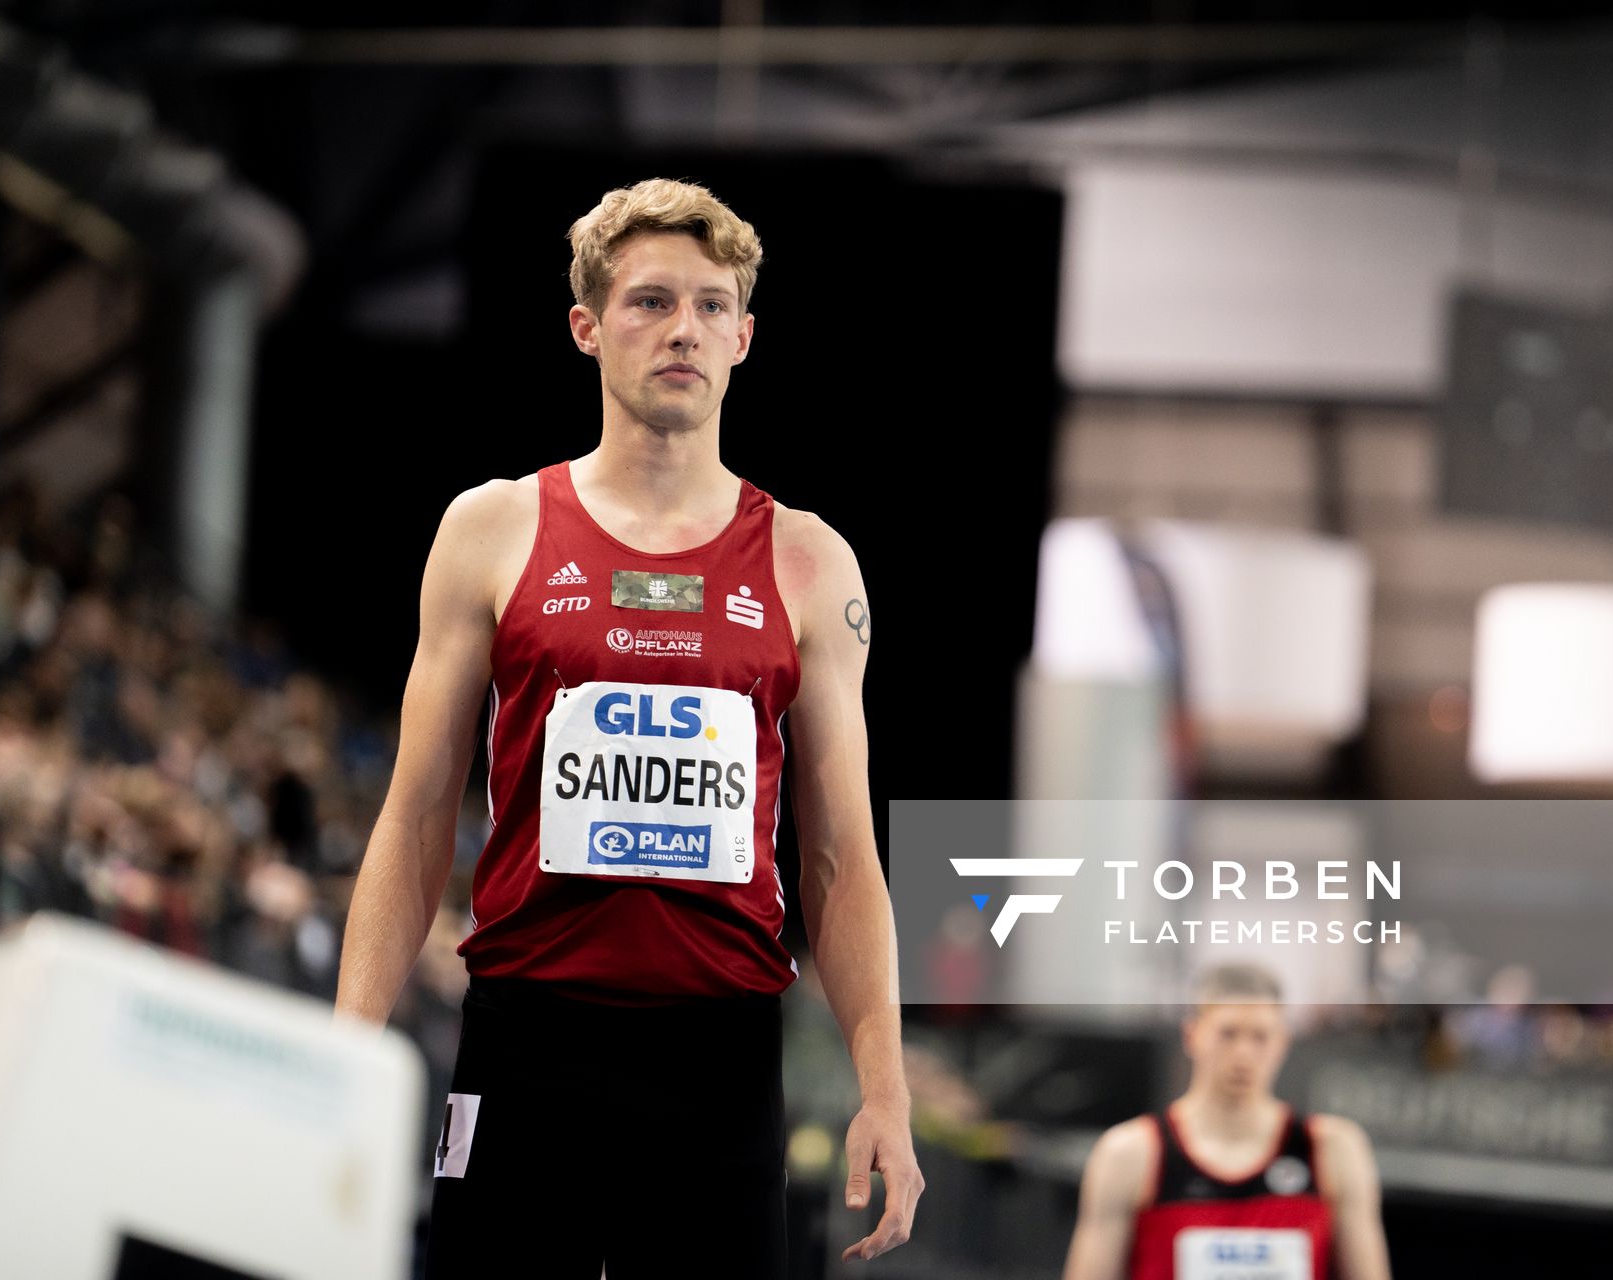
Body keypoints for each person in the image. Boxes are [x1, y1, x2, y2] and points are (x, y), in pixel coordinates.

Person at [333, 177, 922, 1277]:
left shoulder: (807, 559)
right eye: (650, 301)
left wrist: (882, 1084)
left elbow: (842, 859)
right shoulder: (491, 529)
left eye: (710, 305)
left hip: (722, 1051)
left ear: (745, 336)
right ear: (587, 326)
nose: (682, 328)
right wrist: (343, 1054)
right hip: (525, 1036)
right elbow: (415, 815)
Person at [1062, 963, 1391, 1280]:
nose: (1243, 1054)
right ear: (1192, 1035)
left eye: (1260, 1037)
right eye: (1228, 1034)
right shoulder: (1132, 1153)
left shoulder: (1331, 1148)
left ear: (1282, 1042)